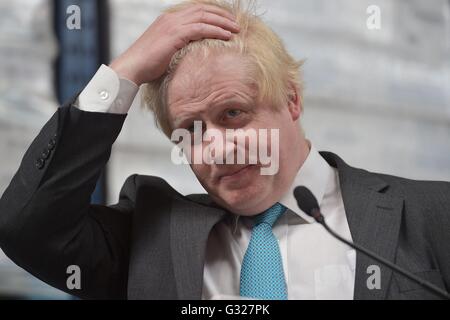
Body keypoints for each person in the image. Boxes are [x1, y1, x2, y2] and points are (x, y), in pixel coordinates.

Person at [0, 0, 449, 300]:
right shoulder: (148, 236)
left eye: (234, 113)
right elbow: (26, 226)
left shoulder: (431, 213)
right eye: (191, 130)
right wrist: (126, 71)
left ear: (292, 99)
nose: (217, 148)